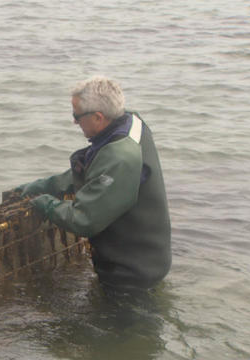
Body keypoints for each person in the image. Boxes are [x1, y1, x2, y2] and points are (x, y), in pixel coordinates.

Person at [15, 76, 171, 290]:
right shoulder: (132, 124)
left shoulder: (120, 156)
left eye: (76, 116)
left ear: (98, 117)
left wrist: (47, 205)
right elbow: (96, 171)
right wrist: (46, 185)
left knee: (122, 318)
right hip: (151, 258)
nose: (74, 122)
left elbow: (83, 219)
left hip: (131, 272)